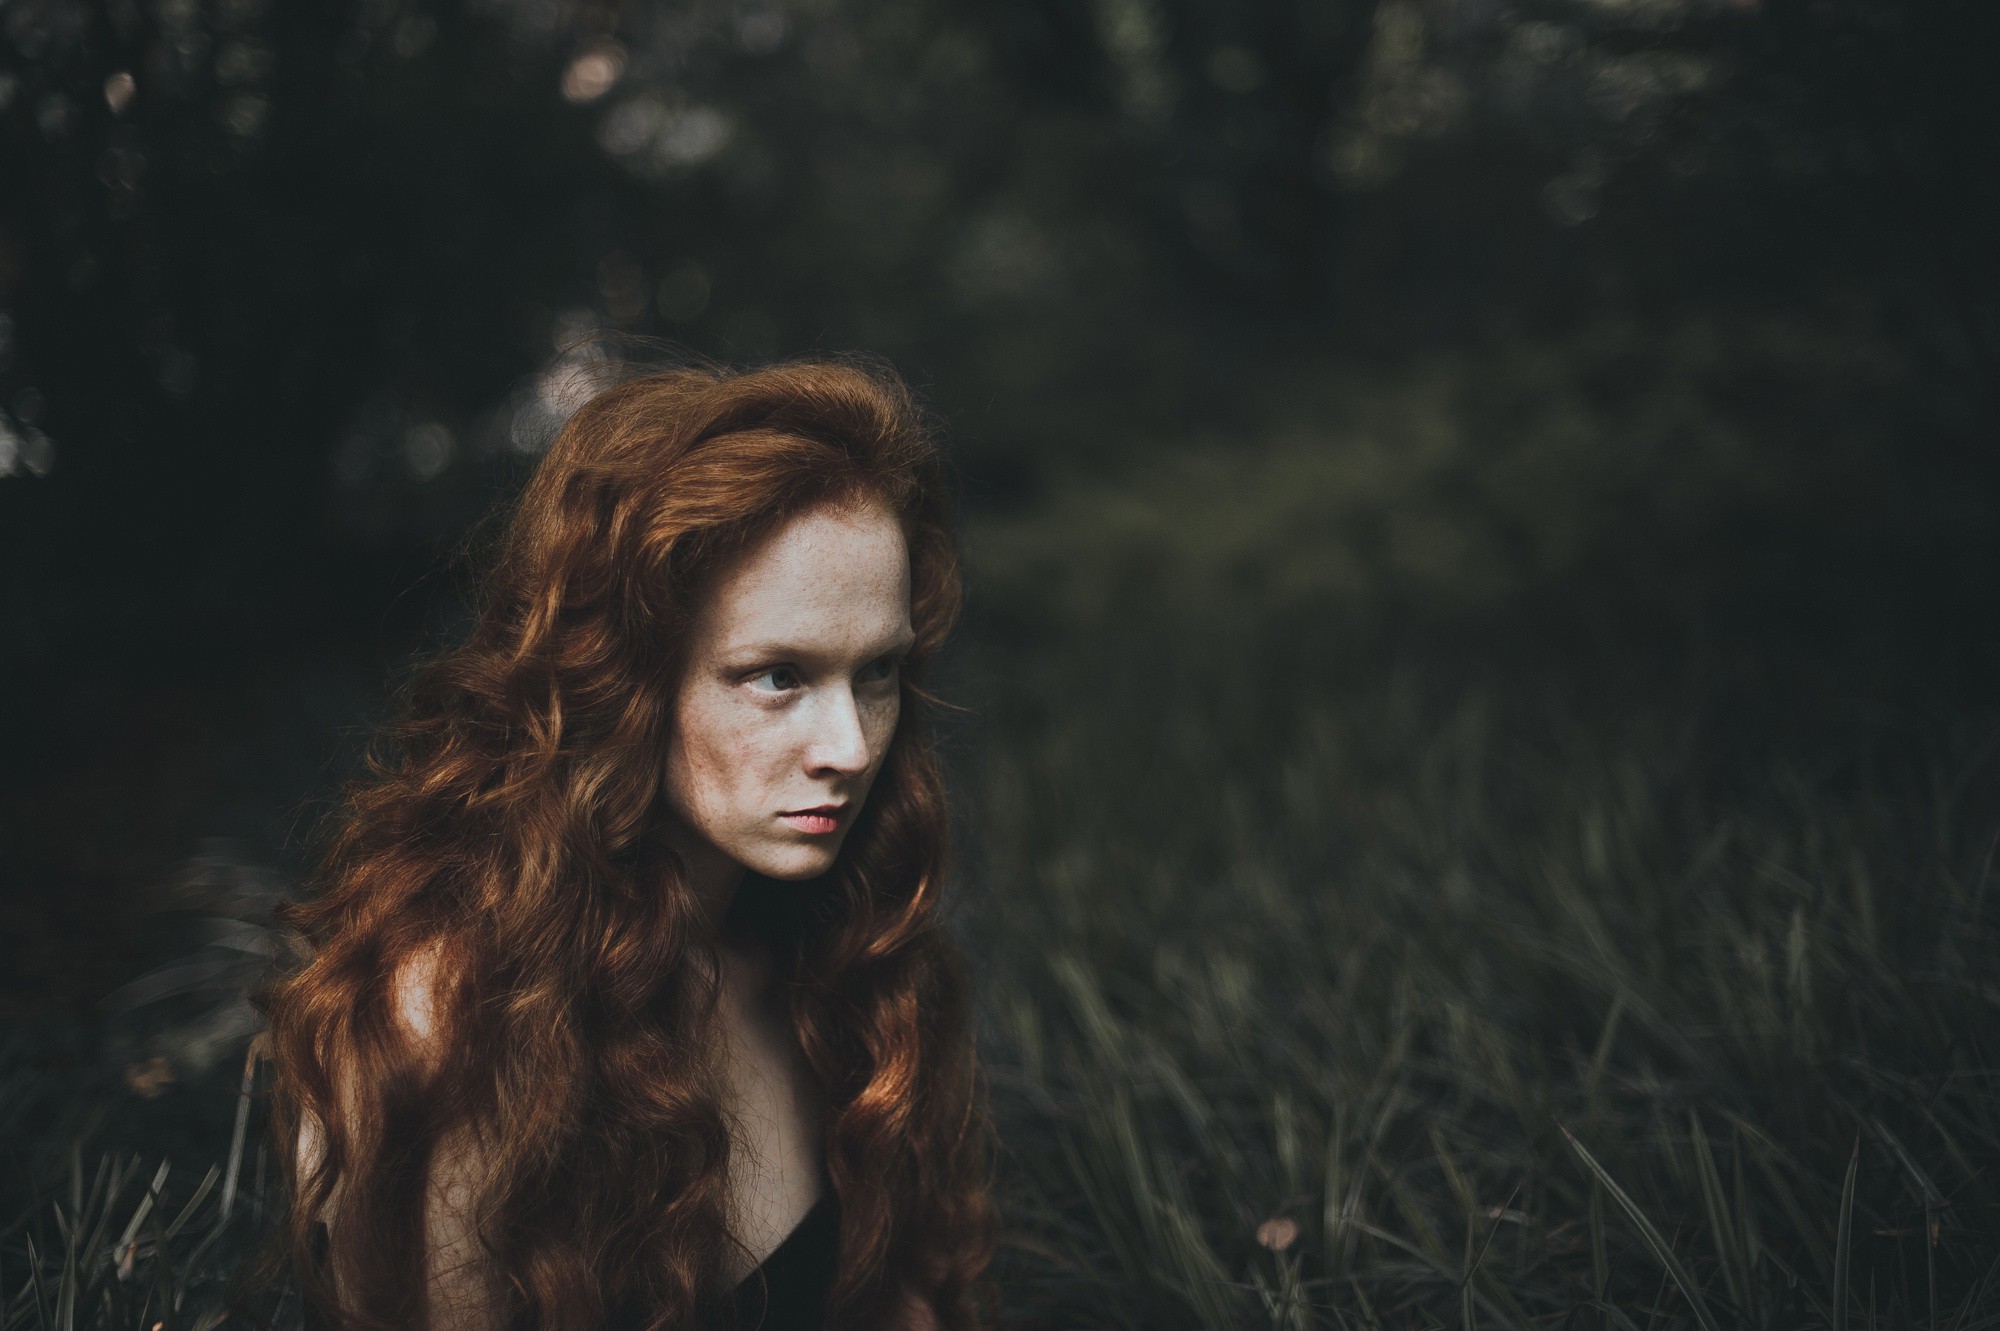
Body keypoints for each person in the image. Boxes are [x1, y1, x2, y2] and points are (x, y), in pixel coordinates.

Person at [259, 360, 997, 1331]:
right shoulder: (462, 1017)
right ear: (624, 676)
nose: (851, 747)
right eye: (777, 675)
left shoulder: (839, 952)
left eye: (878, 672)